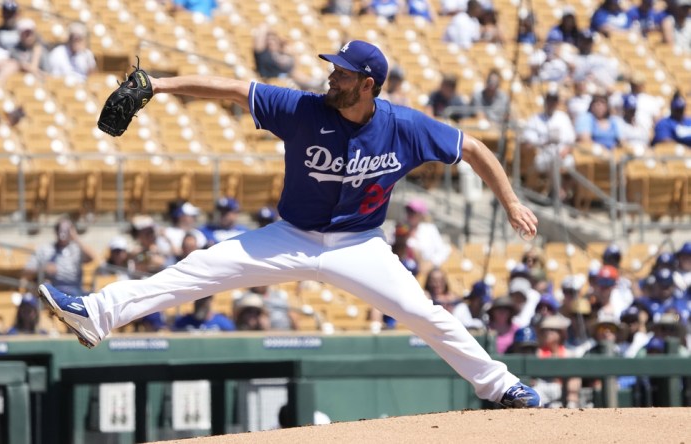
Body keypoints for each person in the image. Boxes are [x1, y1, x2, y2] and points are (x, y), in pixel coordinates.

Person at [38, 39, 541, 408]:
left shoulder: (404, 126)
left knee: (424, 314)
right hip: (290, 236)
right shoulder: (302, 108)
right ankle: (97, 314)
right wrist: (160, 85)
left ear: (368, 85)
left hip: (358, 246)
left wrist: (511, 201)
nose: (331, 77)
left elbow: (472, 147)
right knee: (200, 267)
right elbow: (236, 90)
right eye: (333, 69)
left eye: (342, 73)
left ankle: (501, 387)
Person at [23, 218, 96, 296]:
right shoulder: (45, 249)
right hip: (53, 290)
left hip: (74, 290)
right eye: (60, 229)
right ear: (56, 231)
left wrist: (75, 237)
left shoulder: (76, 249)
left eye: (67, 230)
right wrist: (43, 268)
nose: (63, 233)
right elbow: (27, 271)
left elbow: (91, 257)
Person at [401, 199, 450, 268]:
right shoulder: (400, 229)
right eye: (408, 211)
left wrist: (431, 263)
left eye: (413, 212)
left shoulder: (430, 229)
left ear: (421, 215)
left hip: (423, 272)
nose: (410, 214)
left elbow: (443, 251)